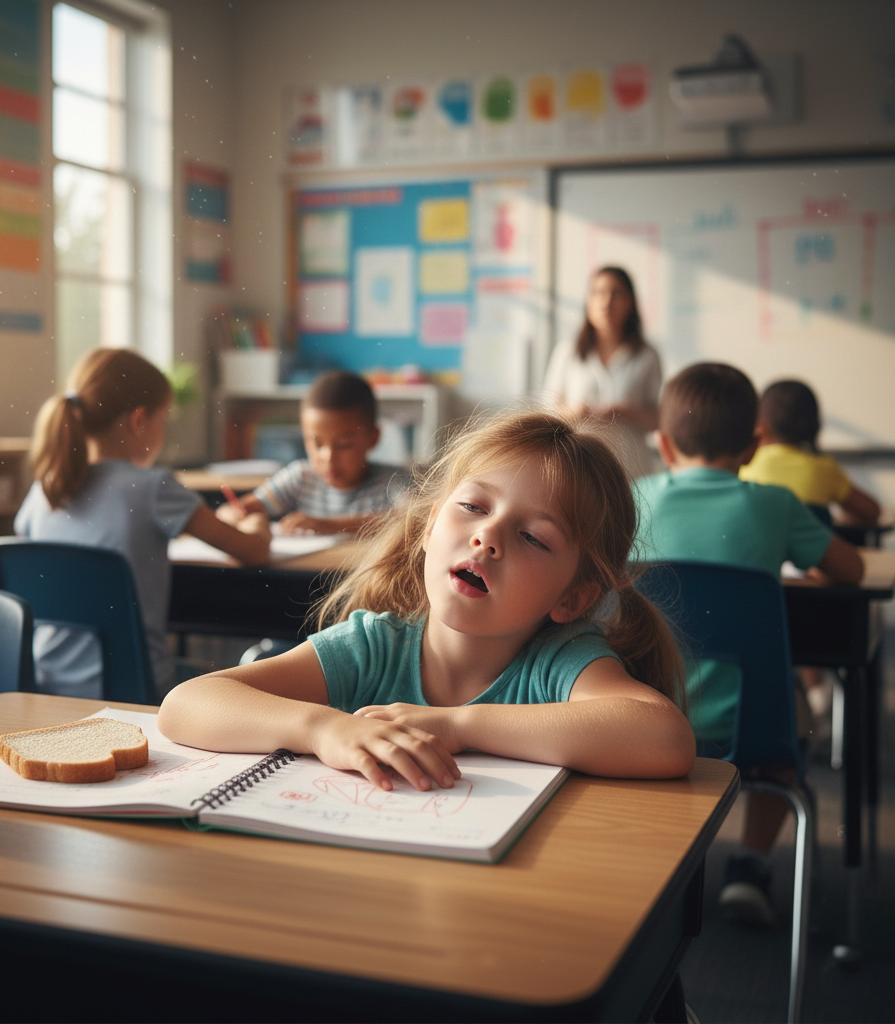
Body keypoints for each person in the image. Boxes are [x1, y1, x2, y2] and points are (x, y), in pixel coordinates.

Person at [159, 408, 696, 792]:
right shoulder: (372, 646)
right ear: (427, 528)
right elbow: (187, 704)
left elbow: (664, 738)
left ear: (573, 598)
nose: (487, 537)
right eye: (471, 506)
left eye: (533, 536)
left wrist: (457, 725)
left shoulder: (559, 662)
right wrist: (324, 728)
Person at [632, 362, 864, 927]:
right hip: (754, 729)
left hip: (640, 722)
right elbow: (851, 569)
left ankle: (658, 864)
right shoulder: (775, 503)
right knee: (797, 721)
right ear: (753, 443)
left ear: (662, 444)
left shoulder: (631, 499)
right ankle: (750, 866)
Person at [16, 347, 271, 696]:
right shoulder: (152, 488)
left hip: (47, 690)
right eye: (163, 419)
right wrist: (257, 522)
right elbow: (253, 552)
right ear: (139, 420)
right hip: (136, 689)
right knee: (239, 686)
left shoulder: (41, 493)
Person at [219, 370, 407, 536]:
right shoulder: (301, 477)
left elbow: (408, 520)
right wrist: (234, 515)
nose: (328, 457)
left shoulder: (394, 481)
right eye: (317, 444)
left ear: (373, 438)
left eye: (344, 445)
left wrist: (329, 525)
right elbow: (233, 510)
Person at [542, 266, 662, 477]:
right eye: (598, 292)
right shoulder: (567, 352)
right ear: (588, 301)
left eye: (616, 294)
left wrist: (623, 412)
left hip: (632, 469)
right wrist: (576, 412)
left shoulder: (647, 356)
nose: (606, 302)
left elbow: (658, 420)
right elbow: (547, 412)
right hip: (579, 465)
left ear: (630, 302)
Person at [740, 379, 881, 525]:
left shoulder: (746, 463)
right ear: (815, 426)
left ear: (760, 426)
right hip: (815, 547)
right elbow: (872, 511)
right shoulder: (824, 469)